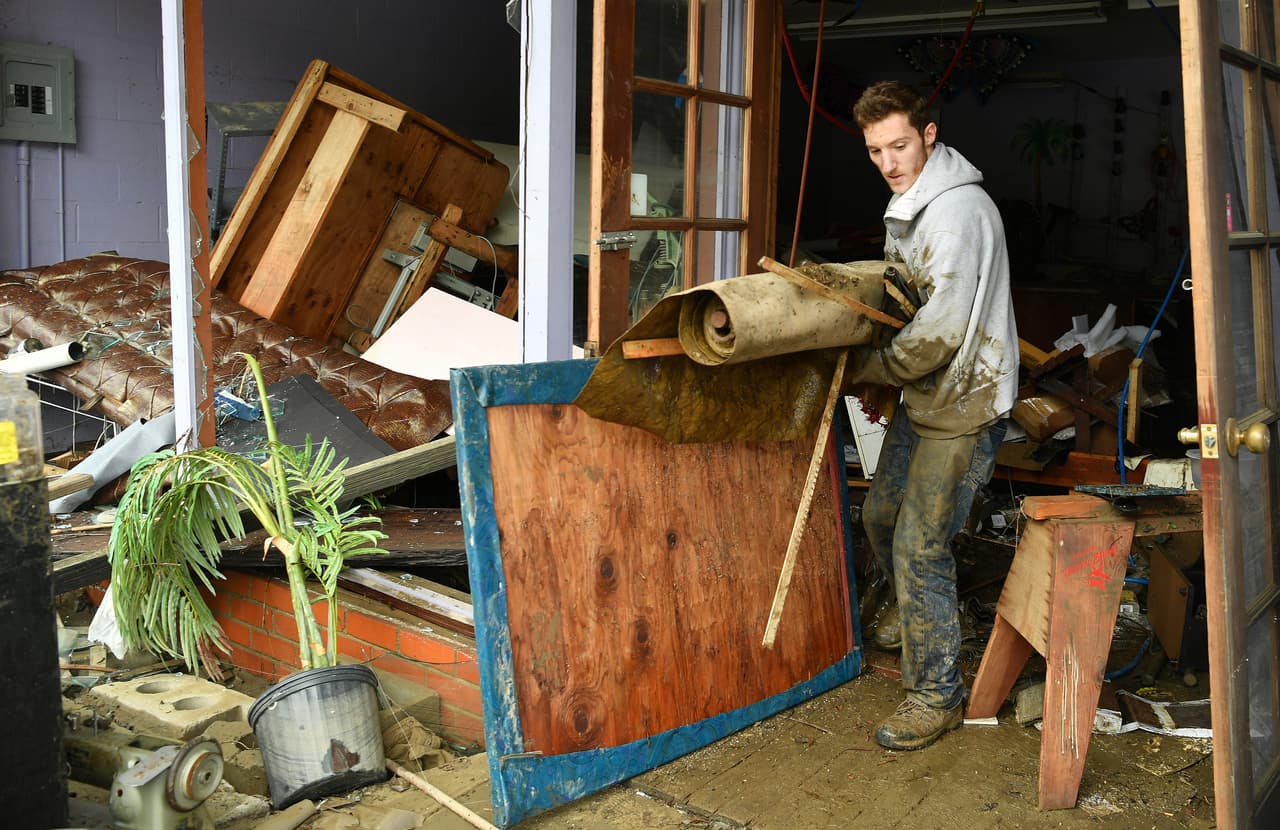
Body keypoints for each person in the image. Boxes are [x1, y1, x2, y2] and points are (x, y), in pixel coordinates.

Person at [846, 80, 1020, 750]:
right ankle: (921, 614)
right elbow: (905, 300)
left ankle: (935, 692)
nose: (888, 161)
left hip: (967, 398)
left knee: (921, 544)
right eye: (874, 150)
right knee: (881, 516)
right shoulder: (912, 199)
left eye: (898, 145)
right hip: (928, 393)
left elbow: (939, 332)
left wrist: (869, 371)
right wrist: (890, 381)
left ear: (928, 134)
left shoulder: (954, 215)